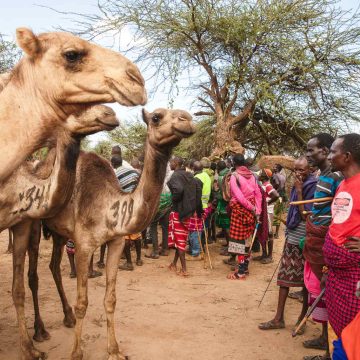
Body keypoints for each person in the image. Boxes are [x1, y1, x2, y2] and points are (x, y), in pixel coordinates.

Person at [259, 157, 316, 331]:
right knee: (284, 277)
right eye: (296, 170)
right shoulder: (301, 183)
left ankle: (302, 319)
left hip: (304, 238)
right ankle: (279, 318)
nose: (298, 174)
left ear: (311, 169)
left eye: (302, 170)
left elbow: (307, 215)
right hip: (292, 235)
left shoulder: (313, 185)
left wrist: (299, 192)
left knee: (305, 282)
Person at [303, 133, 343, 359]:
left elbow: (339, 212)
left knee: (329, 294)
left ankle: (331, 349)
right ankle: (325, 339)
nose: (308, 154)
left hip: (327, 241)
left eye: (312, 150)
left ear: (326, 151)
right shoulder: (324, 176)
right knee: (320, 292)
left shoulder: (337, 178)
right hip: (317, 240)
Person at [323, 133, 360, 339]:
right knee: (340, 330)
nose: (329, 157)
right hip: (337, 274)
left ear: (346, 156)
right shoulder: (342, 185)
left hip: (353, 274)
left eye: (333, 152)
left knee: (353, 335)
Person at [226, 153, 262, 280]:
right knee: (248, 239)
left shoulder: (234, 176)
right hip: (251, 211)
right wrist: (257, 210)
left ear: (234, 163)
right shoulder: (252, 175)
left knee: (238, 241)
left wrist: (252, 208)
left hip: (240, 210)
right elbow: (258, 194)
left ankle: (240, 272)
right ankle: (244, 267)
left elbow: (239, 197)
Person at [167, 157, 202, 276]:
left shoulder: (175, 176)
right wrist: (196, 208)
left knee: (180, 240)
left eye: (171, 162)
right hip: (189, 212)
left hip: (178, 212)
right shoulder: (190, 175)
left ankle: (184, 269)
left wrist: (173, 200)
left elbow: (179, 190)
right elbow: (198, 189)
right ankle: (173, 264)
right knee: (180, 238)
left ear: (176, 163)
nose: (170, 164)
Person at [110, 154, 143, 271]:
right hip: (137, 205)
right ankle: (139, 259)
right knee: (136, 234)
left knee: (125, 235)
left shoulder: (114, 175)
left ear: (113, 164)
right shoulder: (134, 172)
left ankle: (129, 263)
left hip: (125, 207)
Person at [145, 164, 173, 258]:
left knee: (153, 226)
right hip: (167, 205)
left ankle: (155, 251)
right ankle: (165, 249)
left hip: (156, 206)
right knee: (165, 227)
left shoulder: (153, 180)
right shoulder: (167, 178)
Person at [254, 168, 279, 264]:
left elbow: (276, 195)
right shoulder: (263, 185)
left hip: (268, 212)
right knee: (262, 231)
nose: (258, 175)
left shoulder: (267, 185)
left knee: (268, 232)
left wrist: (267, 203)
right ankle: (264, 254)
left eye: (260, 174)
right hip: (263, 212)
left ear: (264, 176)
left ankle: (270, 256)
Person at [215, 161, 231, 255]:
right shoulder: (230, 174)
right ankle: (228, 244)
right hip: (231, 204)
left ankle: (230, 247)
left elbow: (219, 192)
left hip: (224, 204)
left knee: (226, 225)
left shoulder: (221, 177)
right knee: (228, 225)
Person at [272, 163, 287, 239]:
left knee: (272, 213)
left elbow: (277, 184)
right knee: (278, 214)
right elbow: (283, 187)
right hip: (281, 197)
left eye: (274, 167)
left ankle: (270, 232)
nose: (273, 167)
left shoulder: (275, 175)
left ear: (277, 169)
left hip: (275, 196)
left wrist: (273, 190)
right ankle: (276, 233)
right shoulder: (283, 176)